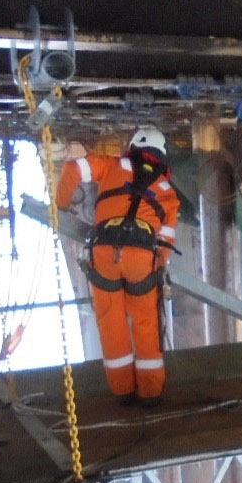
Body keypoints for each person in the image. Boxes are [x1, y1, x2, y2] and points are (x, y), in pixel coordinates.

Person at [54, 128, 179, 406]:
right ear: (161, 156)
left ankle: (122, 390)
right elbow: (165, 243)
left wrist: (60, 206)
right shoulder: (168, 192)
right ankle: (150, 393)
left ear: (132, 146)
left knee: (111, 320)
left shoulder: (111, 165)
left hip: (105, 253)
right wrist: (154, 270)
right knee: (145, 323)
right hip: (141, 259)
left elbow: (73, 168)